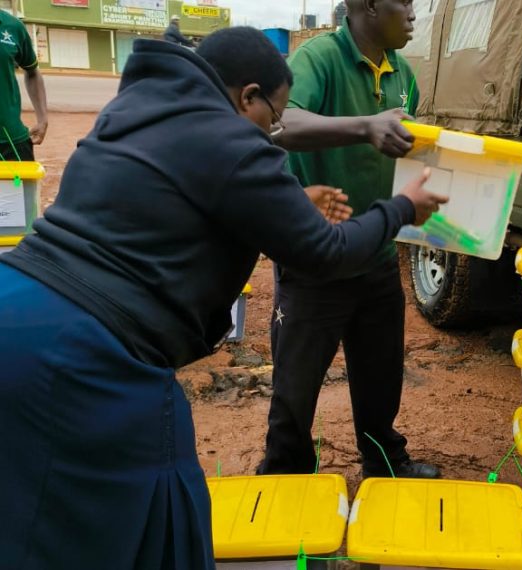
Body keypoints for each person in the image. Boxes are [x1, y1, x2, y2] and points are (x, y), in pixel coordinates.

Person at [0, 27, 445, 568]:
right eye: (274, 115)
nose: (273, 131)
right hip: (94, 348)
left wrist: (283, 201)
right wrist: (401, 208)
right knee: (162, 526)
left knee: (31, 510)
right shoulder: (231, 139)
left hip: (17, 306)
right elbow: (324, 251)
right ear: (247, 96)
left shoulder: (137, 107)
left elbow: (178, 199)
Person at [258, 0, 440, 479]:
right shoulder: (317, 59)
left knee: (380, 374)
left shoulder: (404, 73)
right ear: (370, 7)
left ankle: (383, 460)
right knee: (295, 385)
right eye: (405, 4)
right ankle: (286, 471)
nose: (414, 14)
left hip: (377, 252)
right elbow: (280, 124)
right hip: (316, 259)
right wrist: (365, 127)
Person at [1, 9, 47, 161]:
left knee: (17, 184)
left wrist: (42, 119)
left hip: (12, 144)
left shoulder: (13, 27)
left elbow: (32, 72)